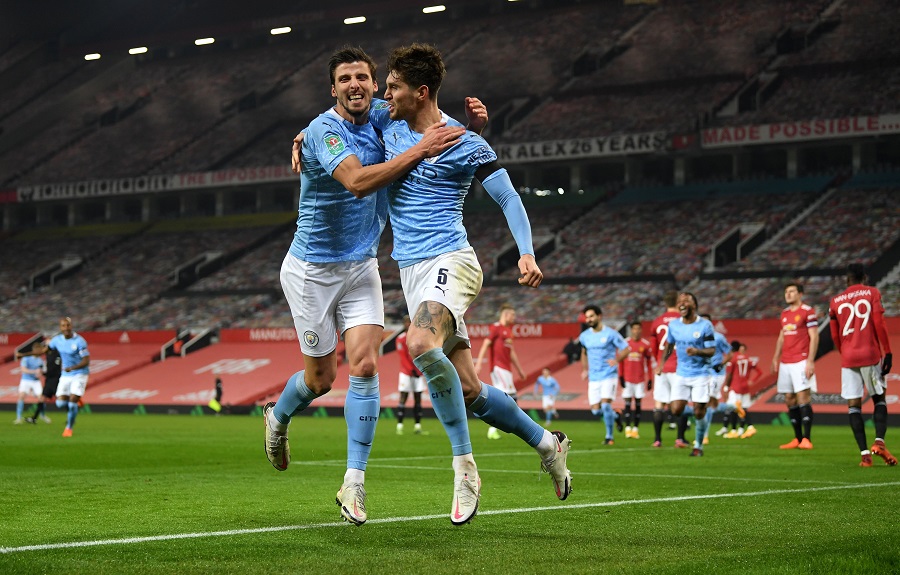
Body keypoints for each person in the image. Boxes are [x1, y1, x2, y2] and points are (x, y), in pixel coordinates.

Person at [264, 45, 473, 527]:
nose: (354, 85)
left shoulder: (382, 113)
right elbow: (357, 182)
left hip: (361, 267)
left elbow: (425, 112)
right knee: (321, 380)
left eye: (362, 77)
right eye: (344, 79)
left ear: (375, 86)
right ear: (332, 89)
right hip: (311, 271)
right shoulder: (323, 131)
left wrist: (475, 127)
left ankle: (353, 483)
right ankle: (278, 416)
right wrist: (419, 150)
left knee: (364, 365)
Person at [373, 43, 573, 518]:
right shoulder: (387, 121)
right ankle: (548, 444)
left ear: (421, 92)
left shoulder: (465, 143)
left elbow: (508, 197)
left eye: (394, 87)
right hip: (411, 271)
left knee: (419, 343)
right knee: (469, 390)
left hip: (452, 260)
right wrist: (306, 135)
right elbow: (345, 114)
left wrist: (526, 252)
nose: (386, 94)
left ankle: (465, 469)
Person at [828, 263, 895, 467]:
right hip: (870, 354)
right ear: (864, 277)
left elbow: (834, 335)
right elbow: (879, 323)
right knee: (879, 398)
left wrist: (845, 353)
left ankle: (865, 456)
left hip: (848, 358)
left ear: (847, 279)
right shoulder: (872, 293)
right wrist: (888, 352)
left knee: (853, 406)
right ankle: (879, 442)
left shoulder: (835, 301)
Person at [656, 293, 716, 457]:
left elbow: (711, 350)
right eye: (679, 302)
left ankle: (698, 446)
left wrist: (697, 351)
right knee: (676, 410)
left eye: (686, 301)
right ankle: (699, 408)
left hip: (701, 373)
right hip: (681, 373)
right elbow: (669, 346)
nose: (682, 304)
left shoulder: (705, 325)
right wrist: (661, 364)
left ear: (694, 305)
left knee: (699, 412)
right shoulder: (674, 325)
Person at [18, 317, 90, 437]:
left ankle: (69, 428)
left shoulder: (79, 341)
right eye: (63, 326)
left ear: (71, 326)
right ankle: (76, 400)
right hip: (66, 375)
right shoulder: (57, 341)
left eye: (68, 325)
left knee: (72, 403)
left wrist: (73, 367)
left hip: (80, 373)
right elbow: (43, 351)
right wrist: (23, 355)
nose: (66, 328)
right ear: (60, 327)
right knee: (60, 404)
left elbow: (86, 361)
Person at [772, 282, 818, 450]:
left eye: (791, 291)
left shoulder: (808, 311)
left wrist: (810, 361)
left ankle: (807, 438)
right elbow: (781, 337)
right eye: (786, 291)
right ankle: (797, 438)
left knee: (803, 397)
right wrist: (775, 357)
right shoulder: (784, 314)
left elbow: (814, 336)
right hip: (786, 361)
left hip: (801, 360)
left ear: (800, 294)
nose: (788, 294)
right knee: (789, 398)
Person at [475, 303, 528, 439]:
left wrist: (519, 370)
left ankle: (503, 426)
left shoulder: (508, 331)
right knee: (509, 397)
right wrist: (479, 364)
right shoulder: (496, 328)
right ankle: (496, 428)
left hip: (507, 369)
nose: (514, 317)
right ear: (505, 314)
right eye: (512, 315)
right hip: (498, 368)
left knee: (509, 399)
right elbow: (486, 344)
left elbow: (511, 352)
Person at [580, 305, 630, 445]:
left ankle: (609, 437)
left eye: (591, 316)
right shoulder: (584, 336)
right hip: (594, 377)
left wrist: (617, 360)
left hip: (609, 375)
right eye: (587, 317)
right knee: (596, 411)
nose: (589, 319)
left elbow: (626, 349)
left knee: (606, 405)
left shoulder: (611, 334)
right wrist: (584, 369)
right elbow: (583, 352)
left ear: (599, 316)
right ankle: (616, 415)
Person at [649, 290, 682, 447]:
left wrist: (659, 363)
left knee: (659, 404)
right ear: (678, 302)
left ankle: (657, 439)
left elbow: (653, 347)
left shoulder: (657, 321)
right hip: (679, 367)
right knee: (680, 402)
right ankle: (680, 438)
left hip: (661, 368)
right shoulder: (682, 320)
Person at [699, 313, 735, 445]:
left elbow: (730, 353)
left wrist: (721, 364)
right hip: (702, 373)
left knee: (707, 402)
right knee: (710, 404)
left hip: (716, 374)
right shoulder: (697, 337)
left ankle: (704, 435)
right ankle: (733, 407)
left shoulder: (718, 337)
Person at [619, 321, 653, 439]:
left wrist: (650, 378)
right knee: (627, 403)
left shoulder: (645, 344)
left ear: (641, 330)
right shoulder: (625, 343)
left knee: (638, 404)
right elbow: (621, 361)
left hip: (640, 379)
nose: (636, 331)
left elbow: (649, 363)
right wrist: (621, 376)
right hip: (628, 379)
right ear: (631, 330)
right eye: (634, 329)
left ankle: (636, 429)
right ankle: (628, 428)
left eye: (638, 329)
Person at [720, 341, 760, 438]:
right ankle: (748, 427)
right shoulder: (747, 358)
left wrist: (726, 387)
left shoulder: (733, 358)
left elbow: (729, 375)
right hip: (745, 387)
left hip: (736, 387)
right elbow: (759, 372)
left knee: (732, 408)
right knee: (743, 408)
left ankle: (735, 430)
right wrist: (752, 381)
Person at [395, 315, 426, 435]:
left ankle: (417, 426)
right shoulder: (400, 338)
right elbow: (403, 356)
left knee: (418, 399)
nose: (408, 324)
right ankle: (399, 426)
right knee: (403, 398)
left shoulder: (419, 338)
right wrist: (411, 370)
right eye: (406, 322)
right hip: (406, 373)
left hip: (417, 373)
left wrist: (419, 370)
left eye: (410, 322)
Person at [25, 340, 60, 424]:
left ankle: (71, 416)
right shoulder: (48, 354)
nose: (44, 347)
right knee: (42, 398)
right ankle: (34, 418)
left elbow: (55, 369)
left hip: (55, 380)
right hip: (49, 380)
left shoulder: (57, 354)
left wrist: (44, 373)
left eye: (46, 346)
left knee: (61, 399)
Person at [14, 345, 44, 424]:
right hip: (26, 380)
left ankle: (42, 416)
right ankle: (18, 418)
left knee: (41, 398)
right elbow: (23, 369)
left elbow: (41, 370)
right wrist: (34, 372)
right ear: (34, 350)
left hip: (36, 381)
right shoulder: (26, 358)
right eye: (37, 350)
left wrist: (39, 373)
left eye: (40, 350)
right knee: (21, 396)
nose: (38, 352)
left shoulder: (40, 360)